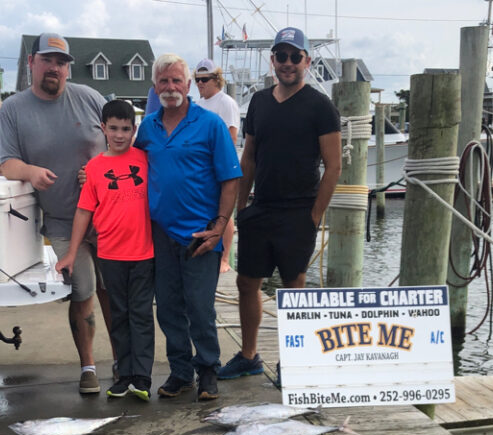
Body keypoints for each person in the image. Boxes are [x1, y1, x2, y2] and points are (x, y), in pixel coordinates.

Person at [218, 26, 341, 381]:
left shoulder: (321, 106)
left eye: (295, 57)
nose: (288, 63)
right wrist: (242, 207)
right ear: (272, 60)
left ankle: (294, 360)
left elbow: (333, 166)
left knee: (294, 288)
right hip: (261, 207)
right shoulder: (258, 101)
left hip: (299, 212)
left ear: (307, 60)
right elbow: (250, 156)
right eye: (281, 56)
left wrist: (315, 215)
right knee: (246, 283)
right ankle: (249, 354)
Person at [0, 32, 113, 395]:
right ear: (31, 63)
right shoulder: (14, 109)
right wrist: (30, 171)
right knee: (84, 291)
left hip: (109, 219)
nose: (55, 68)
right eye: (47, 60)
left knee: (115, 292)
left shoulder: (91, 98)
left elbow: (120, 146)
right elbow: (7, 163)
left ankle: (126, 360)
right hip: (63, 220)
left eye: (61, 62)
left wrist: (99, 166)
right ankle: (89, 366)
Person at [135, 53, 241, 402]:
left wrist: (220, 226)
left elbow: (230, 179)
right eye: (163, 81)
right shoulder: (147, 128)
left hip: (200, 235)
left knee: (199, 308)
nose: (170, 88)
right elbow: (128, 166)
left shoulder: (210, 124)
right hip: (160, 235)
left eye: (176, 80)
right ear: (155, 86)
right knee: (167, 307)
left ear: (189, 85)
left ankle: (208, 369)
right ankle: (181, 372)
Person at [55, 99, 154, 401]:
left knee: (141, 315)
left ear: (134, 129)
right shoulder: (96, 168)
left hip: (144, 253)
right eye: (114, 128)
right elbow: (84, 212)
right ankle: (123, 375)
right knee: (119, 314)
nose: (120, 135)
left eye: (126, 129)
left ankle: (142, 376)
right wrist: (71, 253)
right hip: (110, 254)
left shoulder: (145, 159)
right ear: (103, 129)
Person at [193, 58, 240, 273]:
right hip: (202, 168)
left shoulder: (225, 102)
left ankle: (224, 258)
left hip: (221, 167)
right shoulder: (198, 104)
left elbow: (231, 136)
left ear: (216, 80)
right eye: (197, 80)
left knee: (225, 212)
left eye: (205, 79)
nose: (200, 84)